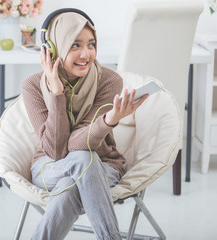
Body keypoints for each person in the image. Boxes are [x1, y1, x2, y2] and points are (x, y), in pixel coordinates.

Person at [21, 8, 148, 240]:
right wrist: (57, 93)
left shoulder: (108, 81)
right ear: (53, 48)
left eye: (91, 44)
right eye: (75, 45)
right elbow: (56, 150)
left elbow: (79, 145)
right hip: (48, 166)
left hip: (103, 165)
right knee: (80, 161)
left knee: (73, 179)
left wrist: (109, 120)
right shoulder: (32, 86)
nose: (86, 54)